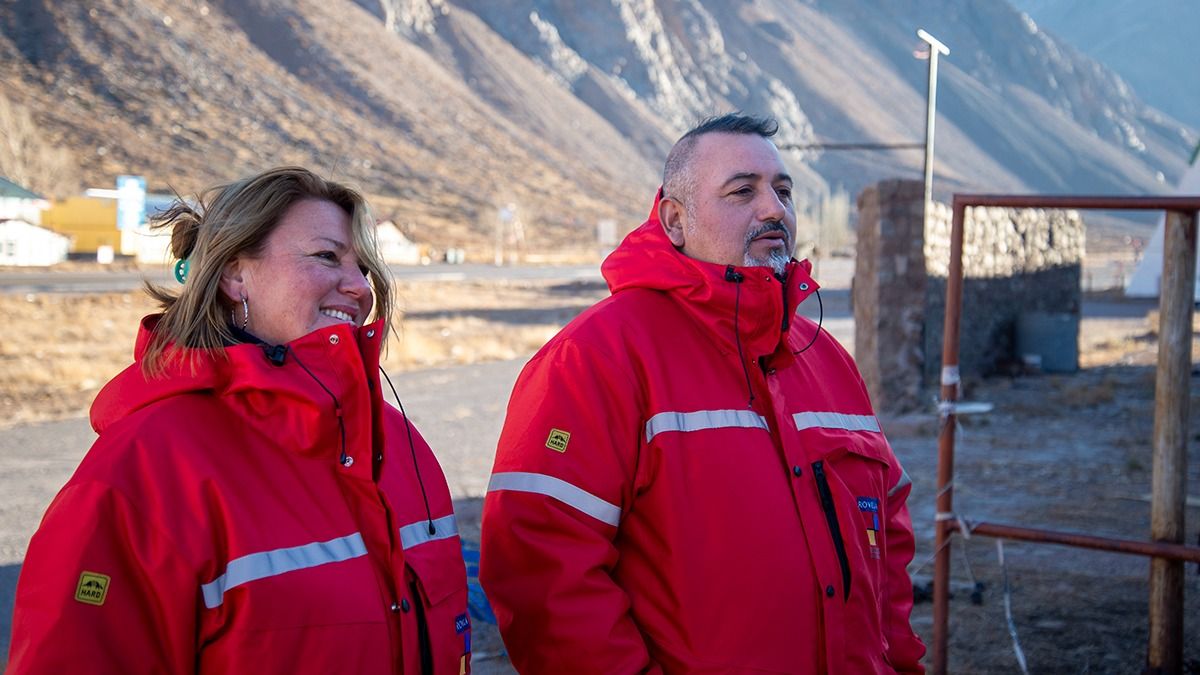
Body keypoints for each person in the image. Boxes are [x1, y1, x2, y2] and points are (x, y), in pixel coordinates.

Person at [480, 114, 925, 673]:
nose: (773, 210)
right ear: (674, 219)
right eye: (743, 191)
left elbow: (886, 531)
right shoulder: (598, 356)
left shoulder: (826, 356)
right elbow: (542, 571)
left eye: (782, 190)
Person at [9, 167, 472, 674]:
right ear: (234, 274)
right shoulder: (141, 472)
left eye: (363, 266)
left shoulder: (399, 443)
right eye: (326, 256)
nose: (359, 287)